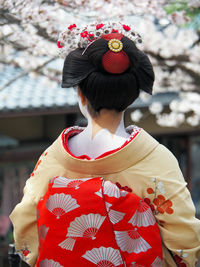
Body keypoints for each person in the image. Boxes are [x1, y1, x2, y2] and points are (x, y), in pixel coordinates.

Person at [10, 22, 200, 267]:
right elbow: (185, 241)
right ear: (132, 95)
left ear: (80, 93)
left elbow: (26, 227)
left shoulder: (52, 158)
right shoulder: (156, 159)